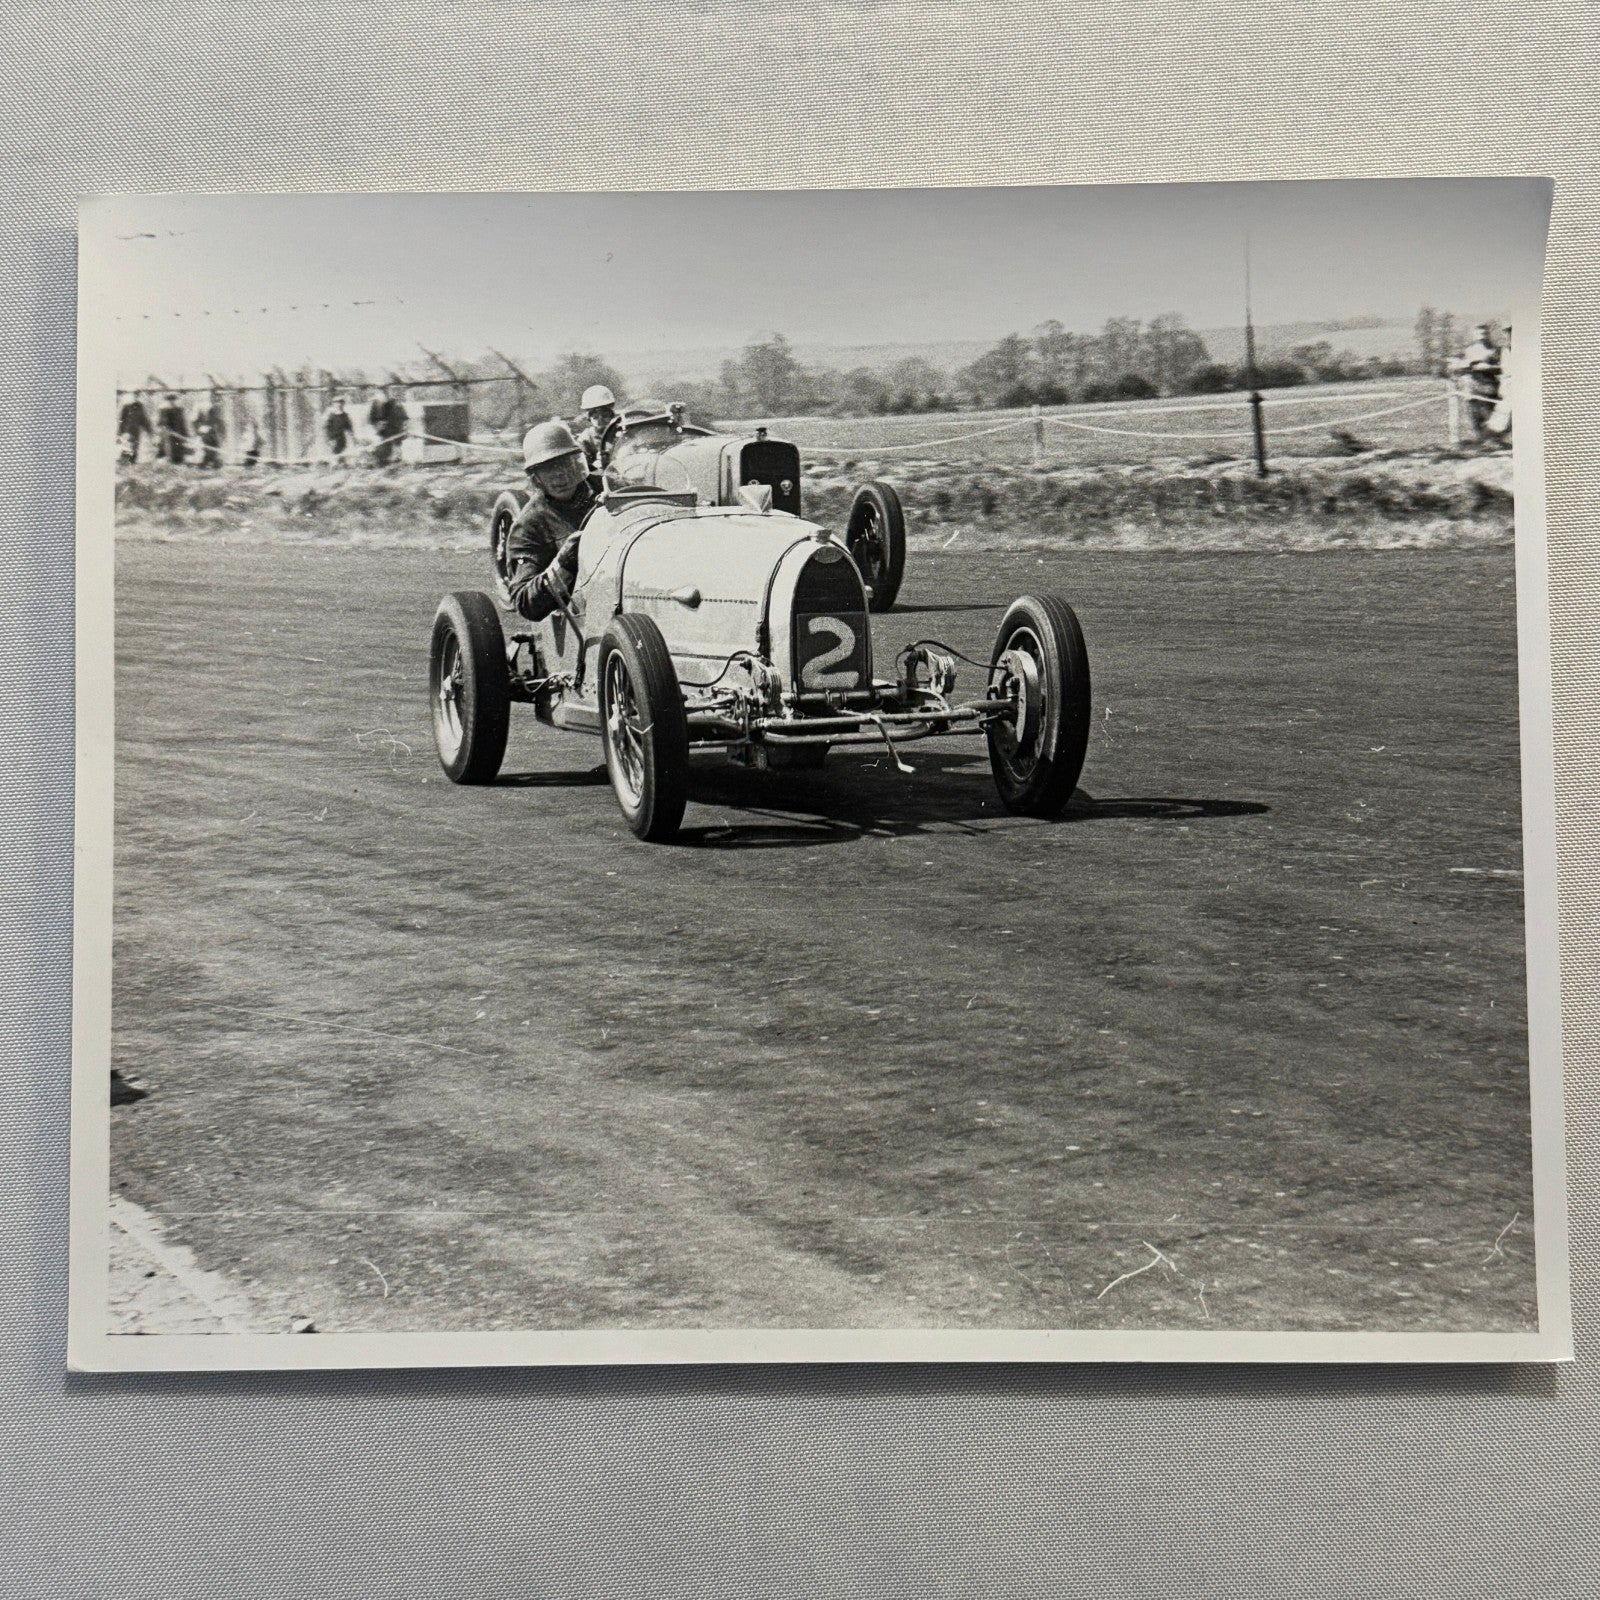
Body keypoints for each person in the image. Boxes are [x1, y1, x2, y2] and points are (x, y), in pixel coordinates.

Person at [505, 420, 602, 622]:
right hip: (582, 615)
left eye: (563, 463)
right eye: (548, 468)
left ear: (577, 461)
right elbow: (524, 602)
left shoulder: (610, 487)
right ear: (536, 477)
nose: (559, 475)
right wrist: (563, 564)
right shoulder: (529, 524)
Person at [1450, 324, 1501, 440]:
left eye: (1484, 333)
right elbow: (1461, 365)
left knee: (1489, 415)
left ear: (1488, 334)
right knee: (1474, 416)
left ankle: (1493, 440)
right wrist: (1465, 365)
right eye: (1479, 333)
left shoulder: (1493, 350)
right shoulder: (1469, 350)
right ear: (1474, 335)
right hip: (1473, 387)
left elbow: (1501, 367)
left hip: (1489, 387)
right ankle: (1481, 441)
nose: (1482, 336)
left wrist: (1489, 367)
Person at [576, 383, 620, 468]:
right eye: (595, 416)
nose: (600, 420)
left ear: (612, 415)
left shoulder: (622, 431)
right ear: (589, 418)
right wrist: (596, 465)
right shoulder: (585, 439)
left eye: (605, 415)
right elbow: (583, 468)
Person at [368, 384, 408, 466]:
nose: (384, 393)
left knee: (397, 446)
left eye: (386, 391)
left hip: (395, 429)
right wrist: (378, 427)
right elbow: (372, 419)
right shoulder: (375, 404)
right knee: (383, 448)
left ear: (389, 391)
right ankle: (381, 461)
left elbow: (403, 416)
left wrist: (404, 427)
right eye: (381, 391)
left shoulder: (395, 403)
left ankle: (397, 461)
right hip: (382, 431)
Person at [117, 392, 151, 462]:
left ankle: (132, 464)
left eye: (137, 395)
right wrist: (120, 433)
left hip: (136, 432)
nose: (136, 397)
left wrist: (149, 431)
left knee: (134, 450)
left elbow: (144, 420)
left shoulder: (140, 407)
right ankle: (124, 464)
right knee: (126, 449)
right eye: (134, 395)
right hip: (127, 432)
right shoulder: (126, 406)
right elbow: (121, 420)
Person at [155, 393, 189, 463]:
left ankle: (179, 460)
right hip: (168, 433)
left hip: (178, 432)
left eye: (173, 399)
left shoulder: (179, 409)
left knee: (179, 449)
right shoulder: (163, 410)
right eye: (169, 399)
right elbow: (161, 422)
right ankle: (169, 460)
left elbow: (182, 422)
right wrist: (163, 430)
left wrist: (185, 434)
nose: (171, 401)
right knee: (169, 448)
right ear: (167, 400)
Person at [322, 393, 355, 460]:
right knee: (333, 456)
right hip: (332, 439)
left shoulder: (345, 416)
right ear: (333, 404)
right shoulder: (330, 415)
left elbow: (349, 428)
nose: (339, 404)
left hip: (341, 439)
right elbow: (325, 428)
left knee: (340, 456)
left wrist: (353, 438)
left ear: (343, 404)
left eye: (341, 402)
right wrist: (328, 439)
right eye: (337, 402)